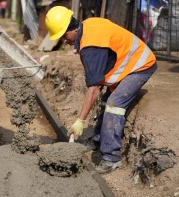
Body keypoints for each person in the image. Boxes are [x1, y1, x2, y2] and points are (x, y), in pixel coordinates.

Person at [45, 6, 157, 173]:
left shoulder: (91, 46)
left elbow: (94, 88)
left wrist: (80, 120)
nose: (64, 42)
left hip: (140, 65)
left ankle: (111, 158)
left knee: (114, 104)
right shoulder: (88, 25)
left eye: (63, 37)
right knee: (105, 101)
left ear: (71, 29)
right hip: (127, 64)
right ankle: (97, 141)